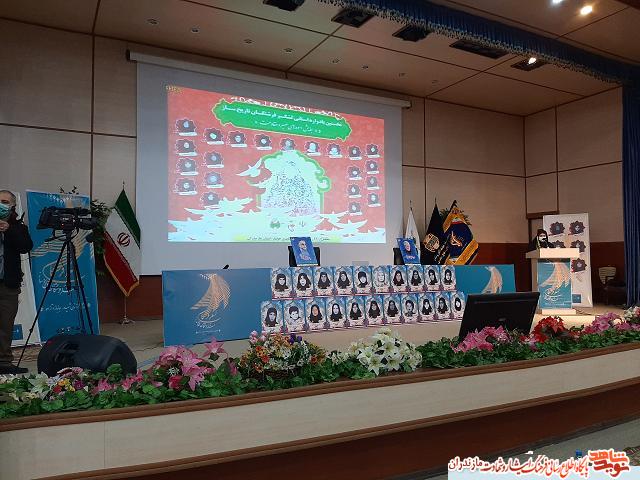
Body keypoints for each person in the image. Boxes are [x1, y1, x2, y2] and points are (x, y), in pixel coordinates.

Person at [0, 191, 33, 374]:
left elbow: (25, 247)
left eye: (5, 202)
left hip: (8, 285)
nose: (1, 204)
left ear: (12, 206)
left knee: (5, 325)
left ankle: (4, 362)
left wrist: (9, 230)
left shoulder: (18, 227)